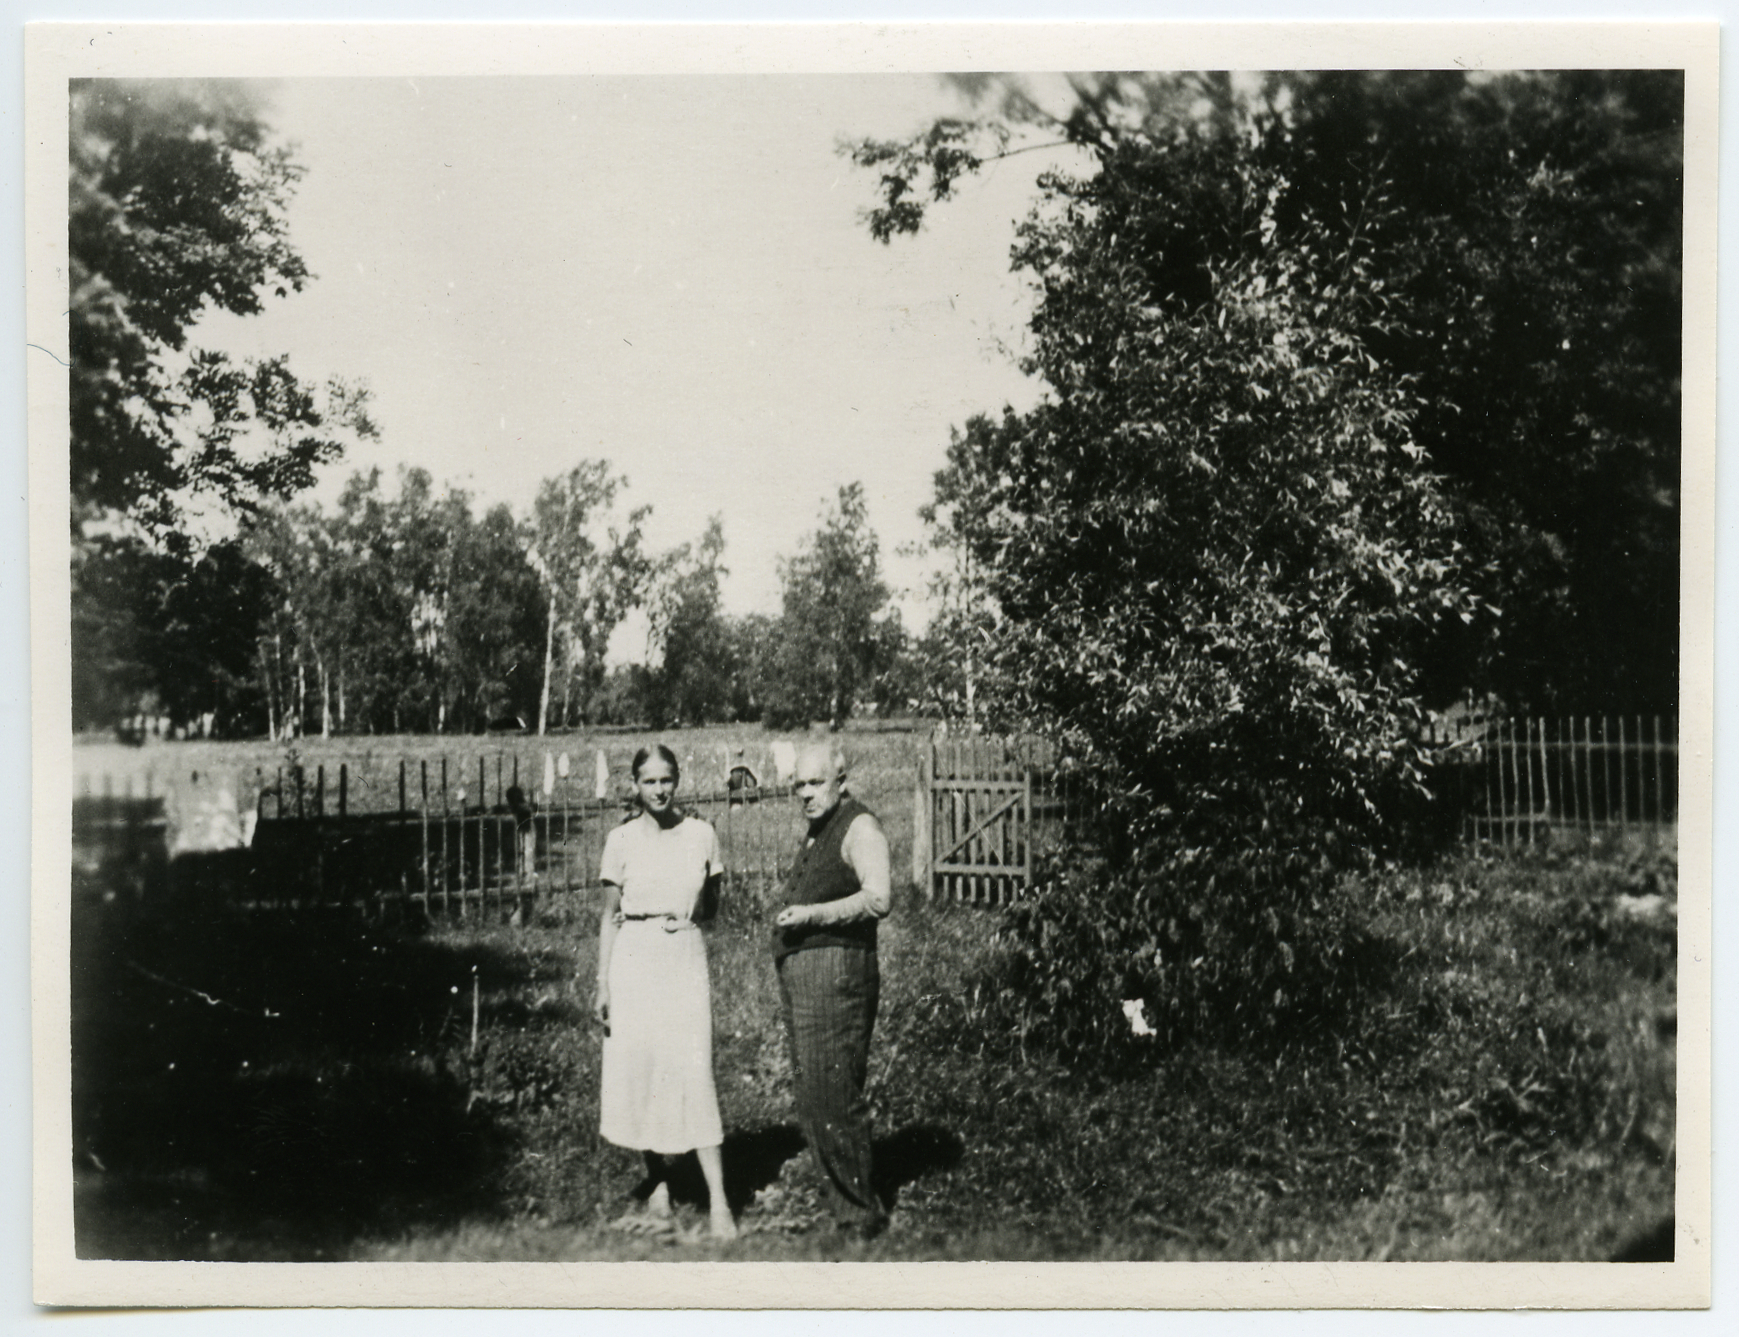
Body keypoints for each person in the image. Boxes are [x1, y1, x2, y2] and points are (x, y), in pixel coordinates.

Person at [592, 744, 736, 1241]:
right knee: (643, 1069)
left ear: (678, 781)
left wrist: (692, 917)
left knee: (694, 1069)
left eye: (666, 780)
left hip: (683, 958)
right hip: (634, 959)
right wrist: (602, 981)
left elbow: (714, 906)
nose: (659, 790)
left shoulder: (701, 834)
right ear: (634, 785)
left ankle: (719, 1200)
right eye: (649, 781)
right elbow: (609, 917)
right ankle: (658, 1184)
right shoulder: (621, 840)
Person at [771, 741, 893, 1240]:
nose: (805, 793)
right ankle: (849, 1209)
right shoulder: (820, 828)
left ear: (841, 781)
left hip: (837, 975)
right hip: (811, 977)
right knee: (817, 1094)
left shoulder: (859, 826)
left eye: (815, 782)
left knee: (833, 1093)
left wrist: (812, 915)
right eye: (798, 784)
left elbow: (879, 897)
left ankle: (859, 1218)